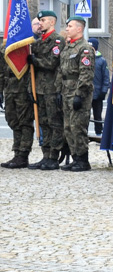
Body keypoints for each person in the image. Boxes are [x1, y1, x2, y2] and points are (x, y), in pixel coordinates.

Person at [55, 16, 94, 172]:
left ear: (79, 29)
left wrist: (80, 94)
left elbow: (86, 74)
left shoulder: (85, 48)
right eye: (67, 26)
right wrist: (58, 91)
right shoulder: (67, 48)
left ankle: (83, 160)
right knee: (68, 127)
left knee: (77, 126)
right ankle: (75, 157)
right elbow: (61, 71)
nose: (67, 29)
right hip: (66, 91)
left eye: (70, 26)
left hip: (78, 92)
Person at [27, 10, 64, 170]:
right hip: (39, 89)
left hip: (51, 89)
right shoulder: (38, 42)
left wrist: (35, 60)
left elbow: (51, 63)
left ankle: (54, 156)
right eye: (39, 20)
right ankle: (45, 155)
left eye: (42, 20)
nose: (39, 23)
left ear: (52, 22)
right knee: (43, 123)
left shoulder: (57, 41)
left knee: (54, 123)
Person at [0, 39, 36, 169]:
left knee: (25, 121)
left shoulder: (28, 45)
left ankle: (23, 154)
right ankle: (17, 152)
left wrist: (32, 90)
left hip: (23, 88)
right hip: (9, 88)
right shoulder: (5, 47)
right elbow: (1, 70)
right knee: (12, 119)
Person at [89, 38, 110, 136]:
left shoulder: (101, 60)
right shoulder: (85, 59)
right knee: (85, 115)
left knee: (97, 115)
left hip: (98, 92)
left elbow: (106, 77)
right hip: (87, 93)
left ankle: (99, 132)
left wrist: (104, 91)